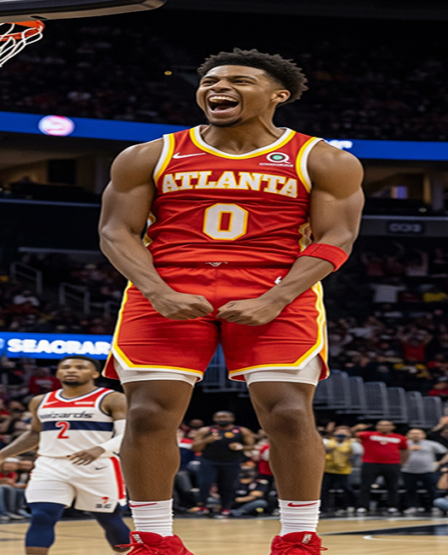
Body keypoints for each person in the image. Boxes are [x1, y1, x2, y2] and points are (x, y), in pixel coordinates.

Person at [99, 48, 363, 555]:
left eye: (238, 80)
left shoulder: (324, 158)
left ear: (277, 95)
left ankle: (298, 537)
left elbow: (335, 239)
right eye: (211, 81)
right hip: (167, 283)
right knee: (150, 413)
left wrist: (276, 298)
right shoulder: (149, 154)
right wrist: (157, 290)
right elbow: (116, 231)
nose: (217, 87)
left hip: (277, 286)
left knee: (287, 412)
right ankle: (153, 540)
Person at [0, 356, 131, 555]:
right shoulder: (40, 400)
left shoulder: (113, 398)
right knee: (42, 516)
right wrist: (0, 456)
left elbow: (128, 435)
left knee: (109, 519)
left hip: (97, 466)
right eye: (65, 367)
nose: (71, 370)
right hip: (50, 465)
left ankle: (128, 551)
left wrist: (99, 449)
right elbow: (34, 433)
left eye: (80, 367)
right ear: (58, 373)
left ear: (95, 374)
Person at [190, 411, 256, 516]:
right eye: (218, 417)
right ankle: (202, 506)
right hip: (209, 461)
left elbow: (251, 446)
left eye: (224, 416)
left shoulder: (242, 431)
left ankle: (225, 508)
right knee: (204, 483)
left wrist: (240, 447)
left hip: (231, 462)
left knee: (228, 486)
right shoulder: (206, 430)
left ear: (232, 418)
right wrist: (207, 440)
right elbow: (194, 447)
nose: (221, 419)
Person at [352, 420, 409, 515]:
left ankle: (392, 506)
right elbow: (350, 435)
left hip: (392, 464)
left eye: (387, 425)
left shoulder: (400, 438)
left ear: (392, 427)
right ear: (377, 427)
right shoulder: (368, 435)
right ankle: (362, 506)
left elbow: (404, 451)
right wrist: (356, 428)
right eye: (381, 425)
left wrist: (402, 462)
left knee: (393, 486)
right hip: (371, 463)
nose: (384, 427)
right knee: (365, 486)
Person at [401, 428, 448, 515]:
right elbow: (393, 453)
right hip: (408, 470)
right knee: (410, 490)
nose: (415, 435)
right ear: (407, 436)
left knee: (432, 490)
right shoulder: (404, 444)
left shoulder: (431, 444)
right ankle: (413, 506)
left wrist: (440, 463)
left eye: (418, 433)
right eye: (413, 433)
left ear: (423, 435)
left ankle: (435, 507)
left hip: (427, 470)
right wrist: (407, 450)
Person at [321, 426, 361, 515]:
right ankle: (324, 508)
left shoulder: (352, 443)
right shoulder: (327, 442)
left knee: (346, 488)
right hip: (327, 469)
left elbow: (358, 453)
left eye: (345, 432)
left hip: (343, 470)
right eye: (340, 431)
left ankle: (347, 506)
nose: (342, 434)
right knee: (324, 489)